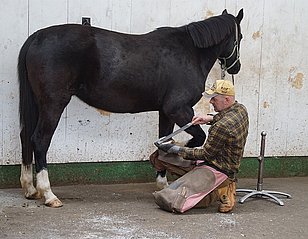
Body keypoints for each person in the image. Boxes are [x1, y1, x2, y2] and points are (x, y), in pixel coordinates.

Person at [150, 80, 249, 213]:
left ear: (226, 99)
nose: (211, 102)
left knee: (170, 200)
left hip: (217, 168)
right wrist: (209, 118)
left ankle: (221, 189)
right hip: (217, 161)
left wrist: (177, 150)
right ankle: (198, 182)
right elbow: (227, 118)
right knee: (158, 156)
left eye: (214, 99)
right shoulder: (240, 109)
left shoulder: (222, 127)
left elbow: (205, 154)